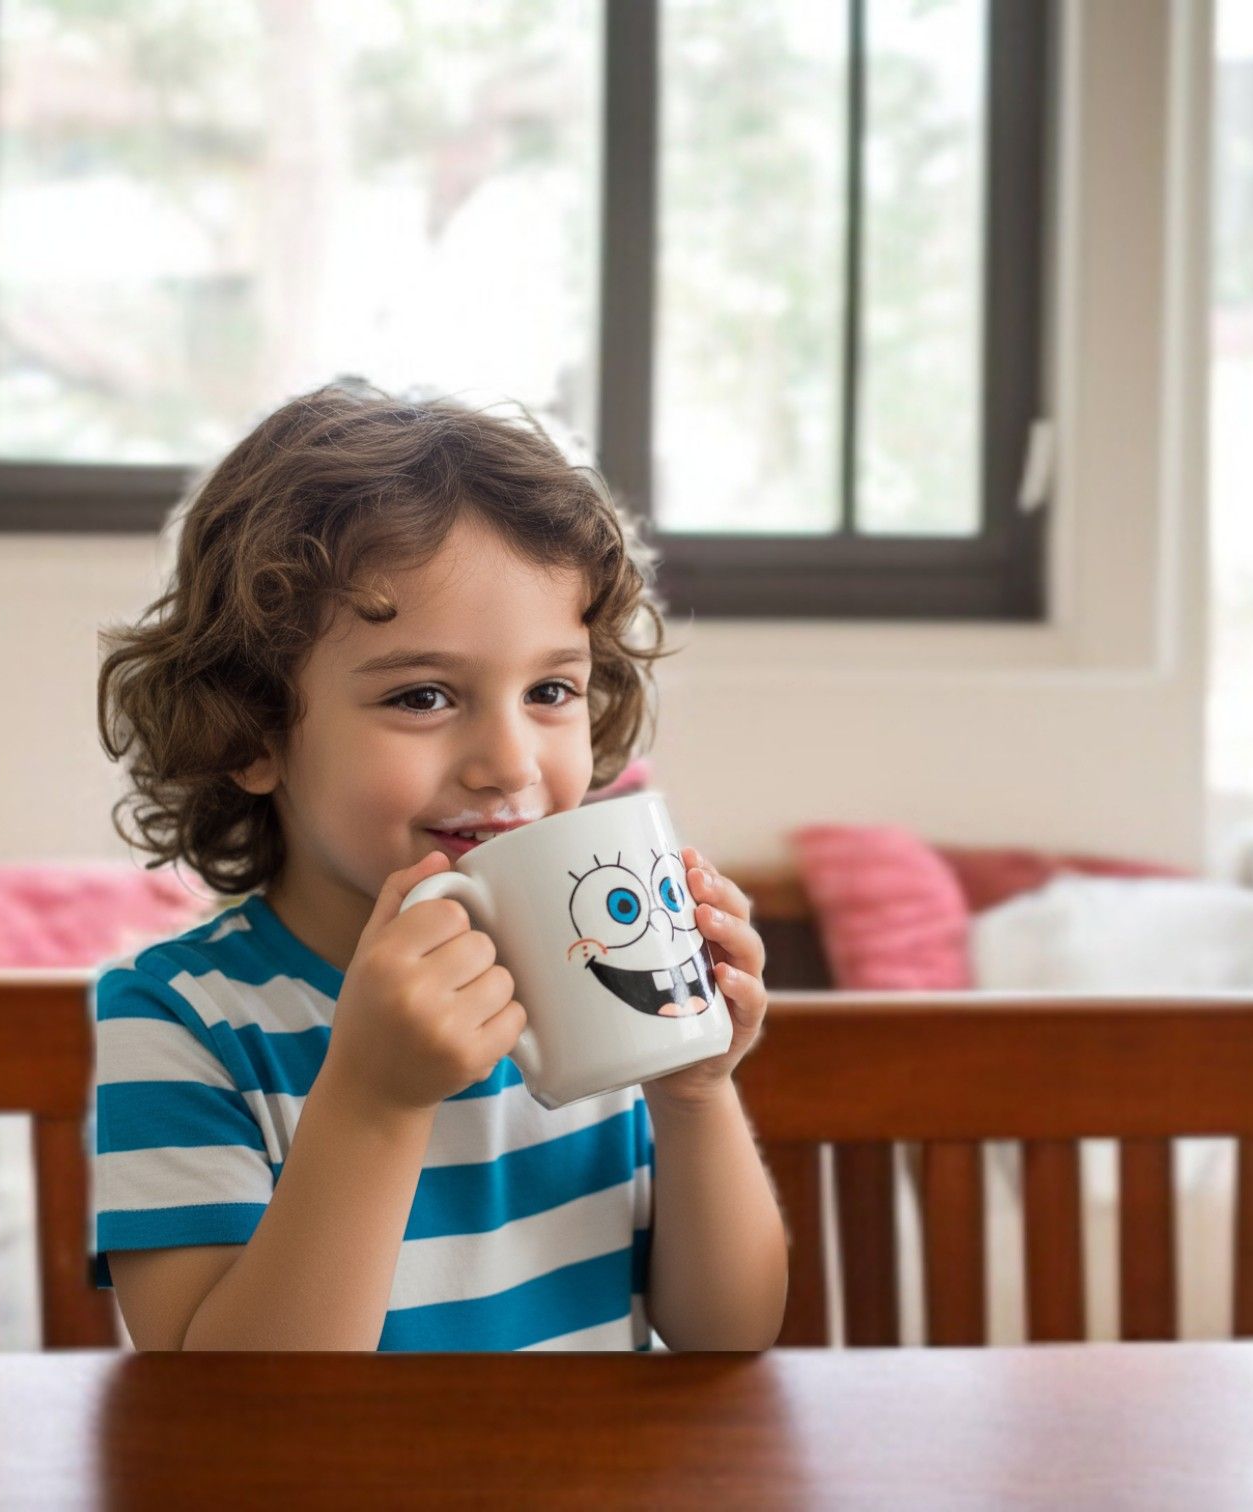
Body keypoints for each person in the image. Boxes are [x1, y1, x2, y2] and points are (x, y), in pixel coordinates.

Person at [91, 379, 788, 1351]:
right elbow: (230, 1412)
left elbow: (728, 1337)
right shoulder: (179, 1018)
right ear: (251, 728)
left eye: (551, 689)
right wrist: (374, 1097)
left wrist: (694, 1093)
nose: (507, 761)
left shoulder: (596, 973)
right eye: (422, 697)